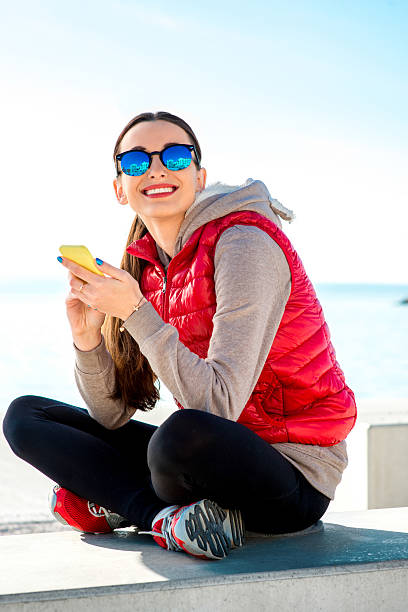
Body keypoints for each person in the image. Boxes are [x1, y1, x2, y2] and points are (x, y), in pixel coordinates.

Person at [2, 111, 357, 560]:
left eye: (174, 155)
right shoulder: (146, 268)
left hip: (291, 477)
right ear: (119, 188)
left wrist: (135, 312)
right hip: (202, 464)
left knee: (180, 437)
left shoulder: (245, 242)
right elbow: (111, 415)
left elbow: (216, 406)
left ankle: (120, 502)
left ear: (199, 175)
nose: (156, 168)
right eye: (135, 162)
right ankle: (162, 518)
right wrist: (88, 342)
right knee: (25, 416)